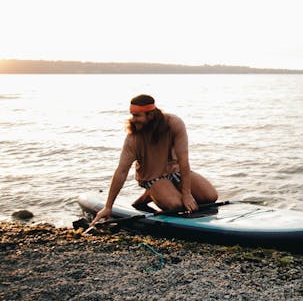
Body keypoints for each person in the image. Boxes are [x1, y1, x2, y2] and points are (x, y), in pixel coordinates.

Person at [91, 94, 218, 225]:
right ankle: (152, 192)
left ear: (151, 115)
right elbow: (121, 171)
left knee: (210, 197)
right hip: (152, 177)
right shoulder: (132, 139)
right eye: (132, 115)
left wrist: (187, 194)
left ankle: (151, 195)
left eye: (137, 115)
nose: (133, 120)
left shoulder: (174, 123)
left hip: (176, 171)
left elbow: (183, 160)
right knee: (176, 206)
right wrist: (108, 207)